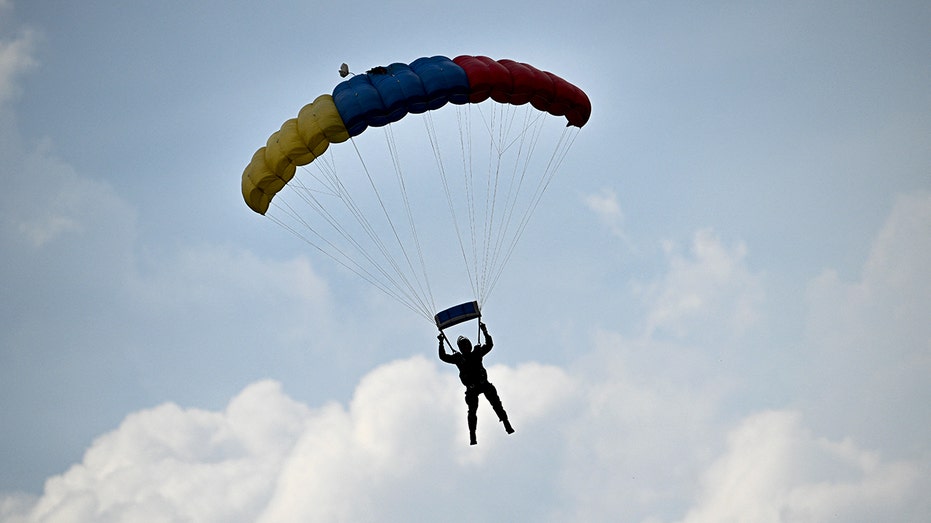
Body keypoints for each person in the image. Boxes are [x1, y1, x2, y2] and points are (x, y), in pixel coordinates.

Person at [438, 322, 514, 445]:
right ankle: (472, 435)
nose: (466, 347)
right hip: (472, 389)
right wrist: (441, 342)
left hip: (483, 384)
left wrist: (484, 331)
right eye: (463, 346)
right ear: (461, 348)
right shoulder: (459, 358)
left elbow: (489, 345)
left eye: (467, 345)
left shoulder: (476, 353)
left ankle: (506, 423)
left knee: (496, 403)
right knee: (472, 411)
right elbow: (443, 356)